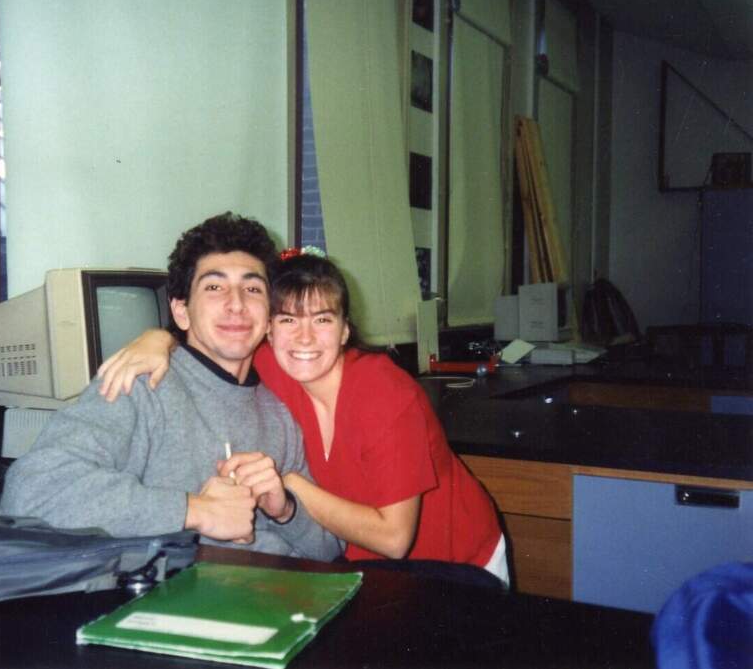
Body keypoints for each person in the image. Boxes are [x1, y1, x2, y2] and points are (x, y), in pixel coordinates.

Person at [99, 250, 509, 585]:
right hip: (365, 572)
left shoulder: (385, 392)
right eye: (288, 320)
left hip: (458, 566)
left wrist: (291, 483)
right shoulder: (278, 364)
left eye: (322, 319)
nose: (305, 337)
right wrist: (156, 338)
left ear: (345, 330)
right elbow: (214, 339)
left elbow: (394, 539)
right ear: (269, 330)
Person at [0, 215, 342, 562]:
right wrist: (196, 511)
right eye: (214, 287)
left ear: (268, 314)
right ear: (181, 312)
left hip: (275, 587)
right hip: (174, 590)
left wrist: (285, 511)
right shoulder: (140, 384)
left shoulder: (278, 414)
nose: (236, 303)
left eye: (252, 289)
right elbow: (30, 492)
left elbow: (330, 549)